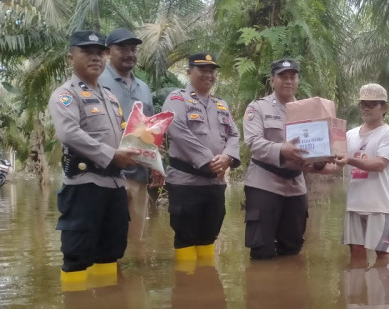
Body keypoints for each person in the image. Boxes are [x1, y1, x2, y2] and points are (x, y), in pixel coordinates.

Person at [48, 30, 138, 288]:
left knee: (111, 252)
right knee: (77, 255)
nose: (95, 57)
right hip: (84, 186)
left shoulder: (109, 96)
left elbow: (123, 134)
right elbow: (69, 133)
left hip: (115, 186)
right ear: (70, 57)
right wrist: (112, 155)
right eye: (87, 51)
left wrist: (141, 151)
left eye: (100, 52)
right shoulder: (66, 94)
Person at [242, 58, 329, 260]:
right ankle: (262, 289)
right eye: (282, 77)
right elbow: (253, 142)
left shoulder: (309, 110)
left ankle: (289, 290)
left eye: (293, 77)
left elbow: (317, 143)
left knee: (292, 247)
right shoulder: (258, 108)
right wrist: (282, 149)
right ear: (272, 80)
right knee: (261, 249)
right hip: (264, 183)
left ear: (298, 81)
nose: (288, 81)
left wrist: (320, 159)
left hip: (296, 185)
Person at [163, 53, 240, 266]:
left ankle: (206, 285)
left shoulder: (221, 105)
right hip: (186, 183)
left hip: (214, 184)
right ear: (189, 72)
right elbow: (176, 128)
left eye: (212, 71)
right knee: (186, 237)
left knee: (209, 236)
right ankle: (187, 287)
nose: (209, 75)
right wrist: (208, 160)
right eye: (202, 70)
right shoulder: (177, 99)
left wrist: (227, 157)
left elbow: (234, 134)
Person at [99, 27, 162, 243]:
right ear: (108, 52)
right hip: (107, 173)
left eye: (133, 49)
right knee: (107, 241)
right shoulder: (97, 82)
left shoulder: (143, 88)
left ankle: (133, 277)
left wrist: (155, 165)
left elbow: (150, 129)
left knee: (135, 240)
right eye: (122, 48)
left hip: (138, 173)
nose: (129, 54)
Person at [337, 83, 389, 265]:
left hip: (378, 206)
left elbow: (380, 164)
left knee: (384, 255)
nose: (366, 108)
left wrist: (349, 159)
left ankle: (382, 291)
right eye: (363, 103)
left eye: (372, 104)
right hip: (354, 205)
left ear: (384, 108)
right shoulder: (349, 135)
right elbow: (336, 165)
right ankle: (356, 291)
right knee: (356, 255)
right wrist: (309, 166)